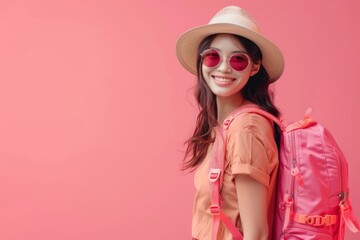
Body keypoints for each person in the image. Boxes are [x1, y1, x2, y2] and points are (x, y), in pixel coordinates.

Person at [176, 6, 285, 240]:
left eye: (238, 60)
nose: (223, 67)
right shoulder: (223, 126)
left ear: (254, 67)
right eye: (213, 56)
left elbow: (256, 234)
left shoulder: (245, 128)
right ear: (202, 60)